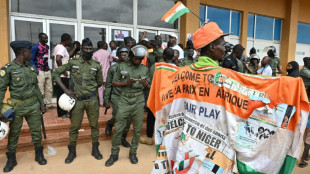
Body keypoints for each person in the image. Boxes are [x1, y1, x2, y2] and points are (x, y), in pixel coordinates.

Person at [52, 38, 103, 164]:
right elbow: (55, 74)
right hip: (77, 101)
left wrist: (90, 89)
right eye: (86, 49)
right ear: (81, 49)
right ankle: (72, 151)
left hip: (92, 100)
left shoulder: (96, 65)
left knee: (94, 125)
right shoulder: (73, 62)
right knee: (74, 127)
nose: (88, 51)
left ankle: (95, 149)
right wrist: (66, 90)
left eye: (91, 49)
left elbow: (100, 82)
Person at [0, 41, 47, 172]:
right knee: (14, 133)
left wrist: (42, 103)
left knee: (36, 131)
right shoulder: (8, 69)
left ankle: (39, 154)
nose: (31, 54)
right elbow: (1, 90)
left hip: (33, 105)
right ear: (23, 52)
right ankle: (11, 159)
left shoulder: (30, 68)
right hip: (17, 106)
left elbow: (36, 88)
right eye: (29, 51)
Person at [105, 45, 150, 167]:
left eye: (140, 59)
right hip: (124, 99)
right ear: (131, 56)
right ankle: (114, 154)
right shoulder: (121, 66)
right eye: (136, 58)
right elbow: (113, 83)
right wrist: (126, 83)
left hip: (138, 100)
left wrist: (146, 85)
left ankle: (133, 153)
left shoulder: (144, 69)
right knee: (119, 127)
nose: (138, 61)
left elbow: (149, 87)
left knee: (137, 128)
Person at [104, 47, 131, 147]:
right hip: (116, 96)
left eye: (127, 54)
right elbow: (108, 85)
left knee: (128, 119)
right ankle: (110, 123)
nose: (126, 57)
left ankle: (123, 138)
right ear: (118, 56)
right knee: (117, 116)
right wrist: (106, 100)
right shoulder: (113, 69)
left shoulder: (131, 67)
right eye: (123, 55)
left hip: (128, 97)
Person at [53, 33, 76, 118]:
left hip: (60, 75)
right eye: (70, 40)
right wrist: (63, 70)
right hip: (62, 76)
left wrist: (74, 48)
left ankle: (62, 112)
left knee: (61, 93)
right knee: (62, 94)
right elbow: (58, 58)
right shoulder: (62, 48)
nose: (71, 41)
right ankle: (62, 113)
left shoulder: (58, 47)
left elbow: (67, 56)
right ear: (66, 40)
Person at [30, 33, 54, 109]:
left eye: (47, 38)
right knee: (41, 90)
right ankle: (41, 106)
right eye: (44, 38)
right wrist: (35, 69)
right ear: (40, 38)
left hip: (47, 69)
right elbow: (31, 59)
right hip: (39, 70)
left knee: (49, 88)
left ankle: (48, 104)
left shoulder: (47, 47)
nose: (46, 39)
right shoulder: (36, 47)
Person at [93, 41, 112, 106]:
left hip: (99, 73)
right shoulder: (107, 53)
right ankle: (106, 102)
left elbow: (93, 64)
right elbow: (111, 61)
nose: (106, 47)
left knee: (100, 88)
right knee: (106, 87)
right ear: (103, 46)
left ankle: (101, 102)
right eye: (105, 45)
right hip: (107, 73)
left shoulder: (95, 54)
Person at [299, 87, 310, 168]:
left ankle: (306, 156)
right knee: (308, 142)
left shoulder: (306, 102)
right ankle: (302, 161)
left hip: (304, 124)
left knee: (306, 140)